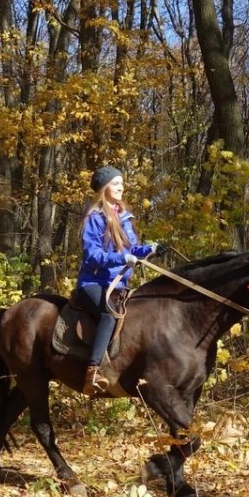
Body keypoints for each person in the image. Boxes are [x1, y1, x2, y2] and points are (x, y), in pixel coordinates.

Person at [75, 166, 157, 395]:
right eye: (116, 183)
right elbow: (92, 256)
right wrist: (123, 257)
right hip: (93, 283)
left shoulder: (124, 216)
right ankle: (92, 371)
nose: (121, 187)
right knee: (108, 314)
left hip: (119, 285)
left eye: (122, 183)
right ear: (104, 187)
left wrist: (150, 249)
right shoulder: (94, 216)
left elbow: (132, 249)